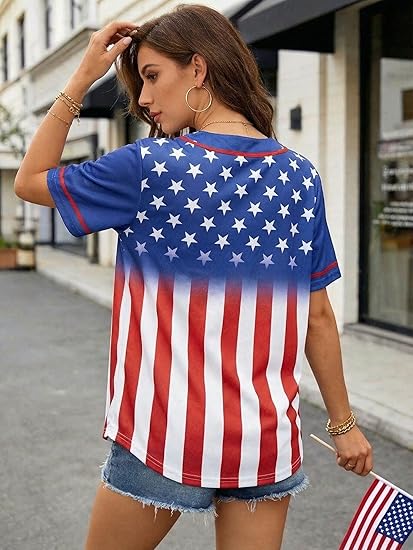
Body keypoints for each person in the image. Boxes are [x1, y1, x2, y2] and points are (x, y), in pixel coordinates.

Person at [15, 4, 373, 549]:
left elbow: (29, 180)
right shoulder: (300, 176)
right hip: (262, 440)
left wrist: (83, 76)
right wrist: (344, 426)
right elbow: (317, 315)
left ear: (199, 69)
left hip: (164, 433)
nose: (143, 98)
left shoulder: (146, 167)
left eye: (151, 76)